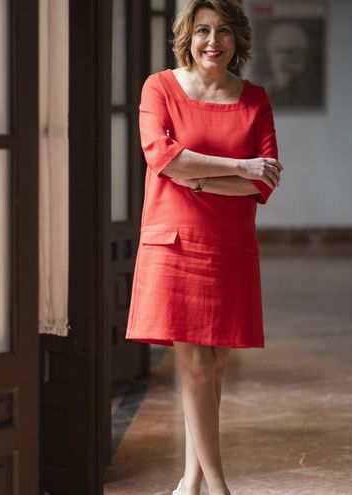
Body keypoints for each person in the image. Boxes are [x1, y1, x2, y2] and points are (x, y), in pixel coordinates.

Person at [124, 1, 282, 494]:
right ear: (186, 37)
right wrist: (238, 168)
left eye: (223, 31)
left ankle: (190, 481)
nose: (212, 41)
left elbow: (267, 182)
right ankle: (218, 486)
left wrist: (196, 178)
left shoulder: (255, 99)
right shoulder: (160, 88)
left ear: (238, 39)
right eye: (202, 31)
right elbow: (163, 158)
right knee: (193, 363)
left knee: (214, 368)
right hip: (174, 243)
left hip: (229, 244)